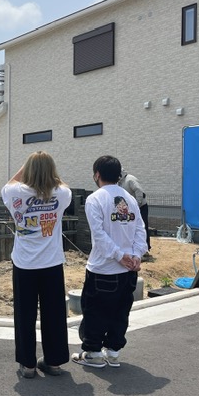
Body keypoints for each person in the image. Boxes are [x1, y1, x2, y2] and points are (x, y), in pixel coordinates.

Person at [72, 155, 148, 369]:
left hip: (103, 269)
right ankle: (113, 353)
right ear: (119, 175)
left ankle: (94, 353)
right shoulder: (130, 199)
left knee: (95, 311)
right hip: (129, 270)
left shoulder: (95, 199)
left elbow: (99, 235)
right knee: (120, 311)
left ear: (97, 174)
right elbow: (140, 230)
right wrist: (135, 255)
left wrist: (118, 256)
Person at [1, 151, 72, 378]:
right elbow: (63, 184)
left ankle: (28, 365)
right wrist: (50, 174)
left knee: (25, 314)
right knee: (54, 313)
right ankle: (53, 362)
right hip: (51, 263)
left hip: (24, 264)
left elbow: (11, 181)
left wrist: (27, 165)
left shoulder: (13, 193)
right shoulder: (62, 193)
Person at [118, 167, 151, 254]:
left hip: (141, 207)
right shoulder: (120, 183)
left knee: (142, 227)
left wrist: (137, 204)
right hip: (129, 209)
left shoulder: (130, 180)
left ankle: (146, 249)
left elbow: (139, 190)